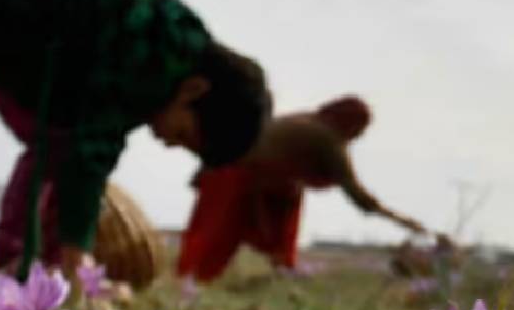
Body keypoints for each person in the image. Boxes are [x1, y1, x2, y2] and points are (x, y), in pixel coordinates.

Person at [0, 0, 273, 278]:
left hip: (18, 13)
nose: (168, 144)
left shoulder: (165, 51)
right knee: (58, 148)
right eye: (182, 135)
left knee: (62, 153)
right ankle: (10, 265)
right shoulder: (147, 66)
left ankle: (38, 266)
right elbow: (93, 152)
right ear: (193, 91)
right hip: (12, 17)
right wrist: (78, 254)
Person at [177, 95, 426, 282]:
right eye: (359, 128)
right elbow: (359, 197)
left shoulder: (306, 122)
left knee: (288, 197)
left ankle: (277, 271)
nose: (359, 136)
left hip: (252, 180)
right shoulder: (325, 138)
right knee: (212, 237)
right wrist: (403, 221)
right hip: (234, 175)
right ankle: (190, 282)